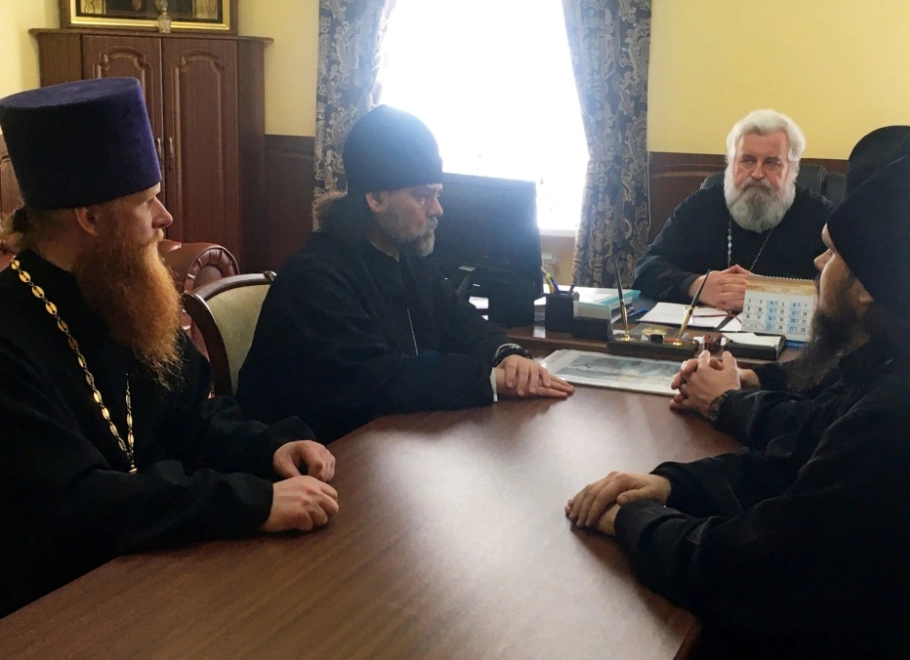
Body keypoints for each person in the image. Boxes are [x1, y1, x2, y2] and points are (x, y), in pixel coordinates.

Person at [566, 153, 910, 658]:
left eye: (831, 254)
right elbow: (800, 453)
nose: (818, 266)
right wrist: (672, 485)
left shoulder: (905, 417)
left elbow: (748, 572)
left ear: (865, 287)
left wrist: (631, 520)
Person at [0, 79, 339, 618]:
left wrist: (268, 449)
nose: (166, 217)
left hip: (153, 571)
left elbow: (195, 415)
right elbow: (76, 502)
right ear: (90, 219)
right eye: (146, 201)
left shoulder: (120, 294)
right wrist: (250, 503)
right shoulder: (10, 334)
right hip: (58, 607)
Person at [238, 105, 573, 443]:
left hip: (388, 441)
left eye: (437, 195)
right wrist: (488, 379)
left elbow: (459, 321)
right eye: (423, 196)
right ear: (376, 198)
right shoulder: (317, 276)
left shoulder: (408, 258)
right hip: (312, 455)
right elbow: (377, 379)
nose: (437, 209)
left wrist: (506, 353)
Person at [673, 125, 910, 450]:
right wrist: (753, 379)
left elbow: (822, 432)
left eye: (835, 252)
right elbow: (835, 390)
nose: (821, 262)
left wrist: (724, 401)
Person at [632, 109, 832, 310]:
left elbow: (840, 292)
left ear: (792, 168)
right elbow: (646, 268)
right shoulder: (700, 206)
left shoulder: (821, 217)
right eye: (748, 160)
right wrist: (696, 286)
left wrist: (769, 292)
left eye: (771, 163)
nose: (757, 173)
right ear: (731, 163)